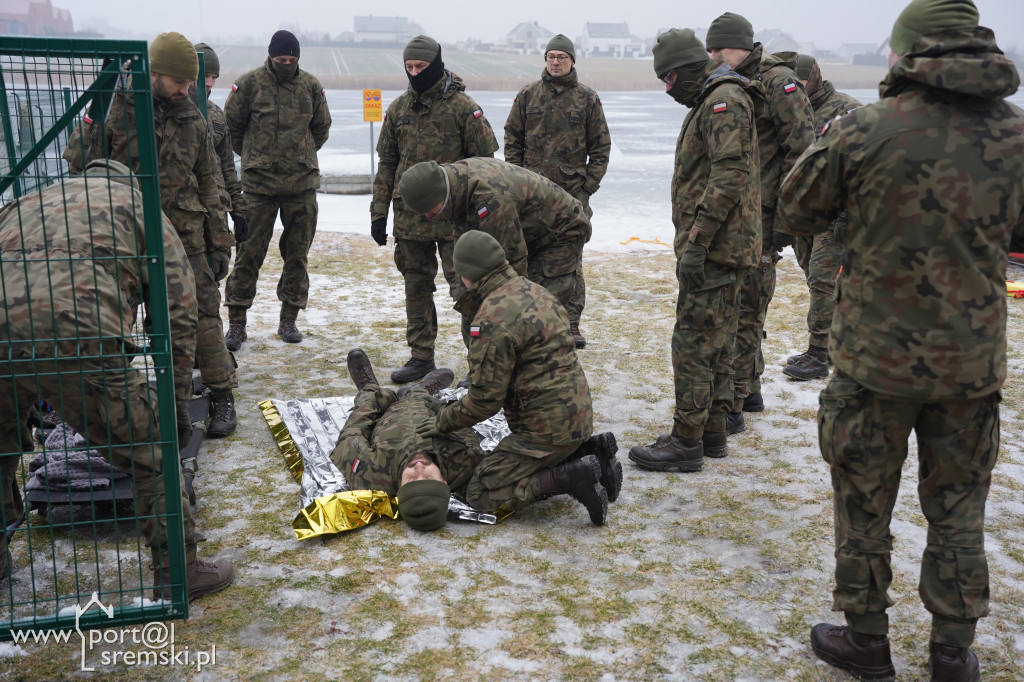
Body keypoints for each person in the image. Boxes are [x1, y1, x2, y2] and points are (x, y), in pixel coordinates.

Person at [777, 1, 1024, 678]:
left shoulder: (864, 129)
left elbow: (796, 205)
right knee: (958, 509)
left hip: (872, 363)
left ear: (907, 52)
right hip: (969, 365)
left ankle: (867, 639)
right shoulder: (1017, 136)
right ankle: (952, 652)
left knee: (863, 504)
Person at [0, 160, 235, 599]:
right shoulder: (142, 208)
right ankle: (178, 571)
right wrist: (176, 404)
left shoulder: (24, 204)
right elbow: (180, 313)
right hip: (76, 336)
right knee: (152, 449)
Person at [63, 32, 240, 438]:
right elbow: (78, 170)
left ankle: (220, 394)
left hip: (186, 234)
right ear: (155, 73)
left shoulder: (192, 114)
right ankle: (121, 404)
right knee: (111, 323)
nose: (187, 90)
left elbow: (209, 180)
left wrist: (220, 242)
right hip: (124, 239)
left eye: (191, 83)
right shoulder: (112, 108)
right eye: (180, 82)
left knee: (203, 318)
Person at [416, 231, 621, 525]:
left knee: (482, 491)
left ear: (466, 273)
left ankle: (571, 478)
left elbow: (484, 401)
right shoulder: (535, 291)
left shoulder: (492, 317)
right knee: (526, 459)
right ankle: (592, 452)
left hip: (544, 432)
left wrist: (441, 422)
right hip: (578, 417)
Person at [627, 29, 760, 472]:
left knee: (693, 343)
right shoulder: (716, 97)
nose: (667, 89)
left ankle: (686, 441)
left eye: (668, 78)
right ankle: (712, 430)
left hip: (717, 246)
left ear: (685, 68)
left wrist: (698, 243)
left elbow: (729, 174)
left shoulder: (723, 100)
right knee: (717, 339)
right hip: (725, 245)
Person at [704, 12, 816, 428]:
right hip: (744, 214)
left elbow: (803, 152)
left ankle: (734, 400)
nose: (715, 56)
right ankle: (747, 389)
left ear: (744, 46)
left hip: (765, 217)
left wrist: (785, 222)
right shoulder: (732, 83)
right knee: (743, 305)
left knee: (747, 309)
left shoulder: (776, 81)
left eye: (721, 49)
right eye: (710, 50)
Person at [371, 35, 499, 385]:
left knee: (467, 291)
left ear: (437, 64)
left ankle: (480, 363)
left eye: (421, 67)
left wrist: (485, 214)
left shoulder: (462, 108)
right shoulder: (398, 109)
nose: (414, 73)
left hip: (456, 220)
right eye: (409, 68)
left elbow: (486, 166)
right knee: (416, 286)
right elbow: (387, 162)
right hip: (410, 219)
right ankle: (420, 356)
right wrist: (378, 211)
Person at [223, 30, 332, 348]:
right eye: (281, 59)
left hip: (301, 185)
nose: (286, 64)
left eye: (292, 59)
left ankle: (289, 319)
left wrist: (302, 154)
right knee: (248, 254)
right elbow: (231, 127)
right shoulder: (249, 84)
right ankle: (237, 323)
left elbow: (321, 127)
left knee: (297, 256)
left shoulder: (310, 85)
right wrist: (256, 155)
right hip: (259, 186)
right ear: (271, 56)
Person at [503, 34, 611, 349]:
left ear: (572, 61)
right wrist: (516, 177)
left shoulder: (586, 98)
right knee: (529, 257)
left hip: (571, 196)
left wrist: (588, 186)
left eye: (562, 57)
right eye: (551, 56)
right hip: (532, 196)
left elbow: (601, 146)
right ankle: (534, 320)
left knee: (571, 261)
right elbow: (512, 139)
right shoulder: (527, 96)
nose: (556, 62)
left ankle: (570, 322)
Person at [398, 157, 590, 330]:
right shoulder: (456, 184)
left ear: (440, 194)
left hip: (562, 232)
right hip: (527, 230)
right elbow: (469, 255)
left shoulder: (490, 197)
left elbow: (512, 262)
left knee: (535, 311)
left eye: (430, 209)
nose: (429, 216)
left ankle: (543, 359)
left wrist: (503, 313)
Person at [330, 349, 478, 531]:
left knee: (370, 397)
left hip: (385, 415)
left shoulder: (372, 475)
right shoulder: (463, 463)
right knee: (419, 395)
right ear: (444, 482)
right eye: (429, 476)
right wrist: (436, 407)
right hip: (421, 408)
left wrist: (373, 402)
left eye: (412, 479)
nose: (418, 467)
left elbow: (351, 434)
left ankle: (370, 388)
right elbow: (465, 430)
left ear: (399, 490)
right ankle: (422, 390)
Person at [783, 54, 860, 382]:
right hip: (804, 209)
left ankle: (818, 353)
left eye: (802, 84)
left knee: (822, 278)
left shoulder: (847, 109)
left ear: (813, 78)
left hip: (838, 211)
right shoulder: (790, 107)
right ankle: (839, 342)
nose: (797, 91)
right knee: (814, 276)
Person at [193, 42, 249, 249]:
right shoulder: (165, 111)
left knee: (215, 269)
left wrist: (238, 212)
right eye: (205, 76)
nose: (209, 83)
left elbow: (227, 166)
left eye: (214, 78)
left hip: (216, 214)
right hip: (181, 214)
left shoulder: (216, 115)